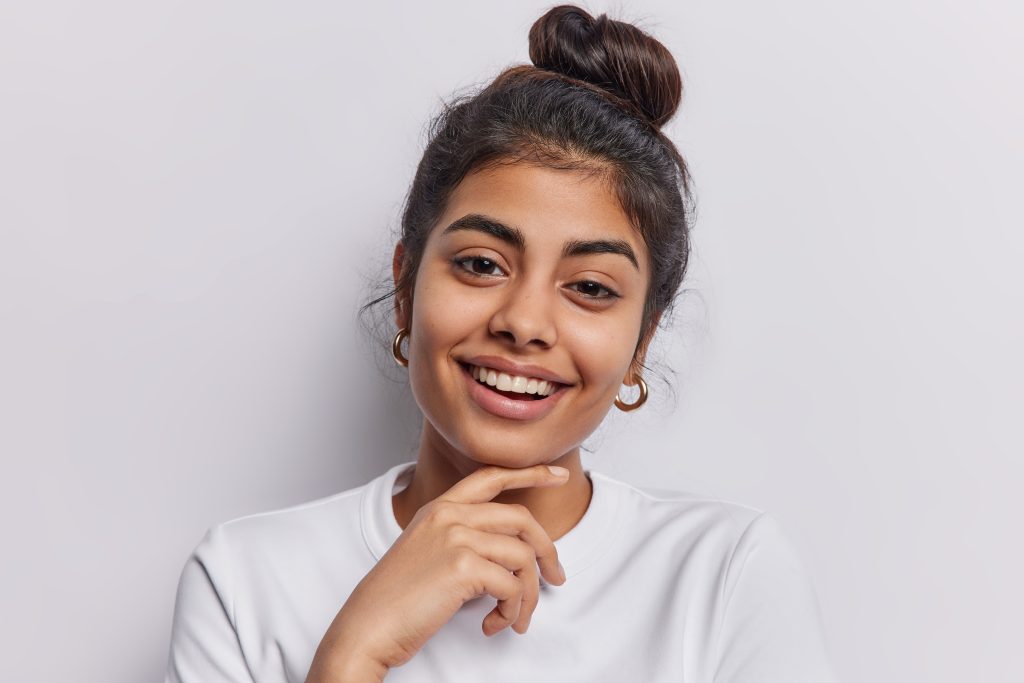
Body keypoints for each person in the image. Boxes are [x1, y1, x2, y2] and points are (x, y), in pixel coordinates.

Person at [164, 5, 840, 682]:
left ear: (642, 342)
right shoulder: (245, 582)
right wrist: (352, 657)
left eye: (592, 287)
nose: (525, 322)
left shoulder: (722, 576)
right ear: (406, 289)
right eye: (483, 264)